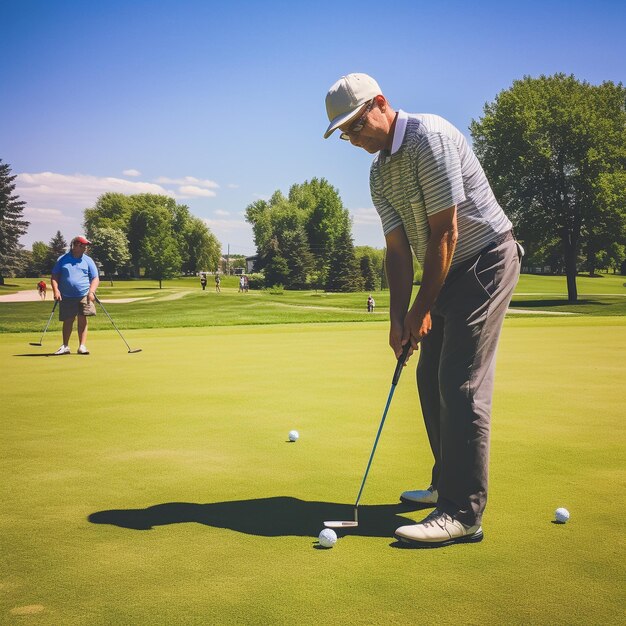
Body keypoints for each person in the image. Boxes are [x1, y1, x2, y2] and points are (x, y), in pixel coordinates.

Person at [324, 73, 522, 547]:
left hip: (485, 259)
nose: (352, 139)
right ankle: (444, 481)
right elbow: (397, 251)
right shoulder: (379, 172)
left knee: (460, 382)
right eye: (344, 134)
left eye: (355, 126)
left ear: (380, 103)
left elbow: (446, 233)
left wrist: (421, 308)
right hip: (446, 268)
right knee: (427, 375)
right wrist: (399, 319)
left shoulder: (429, 137)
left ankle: (462, 512)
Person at [50, 236, 100, 355]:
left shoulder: (88, 260)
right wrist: (56, 290)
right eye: (83, 245)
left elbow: (95, 278)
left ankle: (82, 346)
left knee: (83, 318)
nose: (86, 248)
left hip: (84, 294)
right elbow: (54, 276)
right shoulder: (62, 259)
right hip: (66, 295)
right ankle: (65, 346)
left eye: (86, 246)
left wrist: (92, 291)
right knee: (68, 319)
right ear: (76, 245)